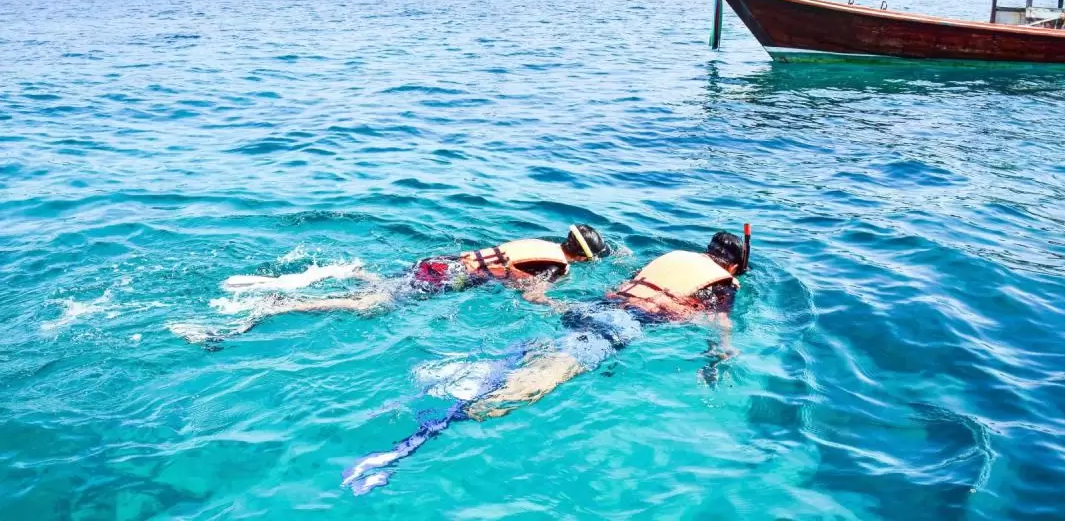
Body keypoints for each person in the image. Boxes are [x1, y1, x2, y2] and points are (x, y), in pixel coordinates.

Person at [466, 228, 749, 420]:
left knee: (554, 347)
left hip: (594, 306)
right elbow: (720, 322)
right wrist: (722, 353)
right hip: (624, 321)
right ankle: (484, 406)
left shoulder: (676, 256)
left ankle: (487, 372)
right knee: (559, 367)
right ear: (734, 267)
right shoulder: (724, 281)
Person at [190, 224, 610, 341]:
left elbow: (505, 268)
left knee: (381, 290)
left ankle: (356, 272)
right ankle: (281, 304)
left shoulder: (540, 242)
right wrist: (558, 307)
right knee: (367, 306)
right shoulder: (559, 268)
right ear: (583, 257)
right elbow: (531, 293)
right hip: (450, 280)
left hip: (438, 264)